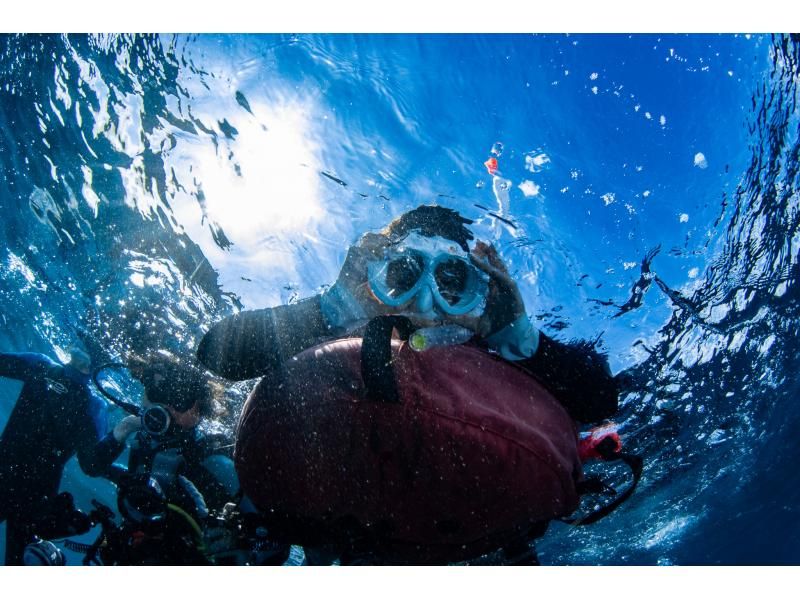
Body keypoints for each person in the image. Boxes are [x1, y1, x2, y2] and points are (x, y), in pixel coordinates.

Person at [197, 205, 618, 424]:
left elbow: (601, 401)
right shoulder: (346, 327)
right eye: (404, 275)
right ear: (375, 277)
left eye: (450, 282)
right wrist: (333, 309)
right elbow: (216, 354)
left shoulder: (495, 345)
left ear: (476, 290)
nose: (424, 302)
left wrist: (517, 337)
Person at [0, 347, 125, 565]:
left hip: (28, 494)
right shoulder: (90, 403)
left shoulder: (42, 368)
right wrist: (121, 433)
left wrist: (122, 431)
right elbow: (92, 465)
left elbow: (91, 465)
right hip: (34, 497)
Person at [110, 352, 239, 521]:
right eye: (156, 393)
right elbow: (91, 467)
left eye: (180, 400)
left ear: (199, 412)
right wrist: (123, 429)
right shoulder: (142, 441)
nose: (165, 407)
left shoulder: (213, 458)